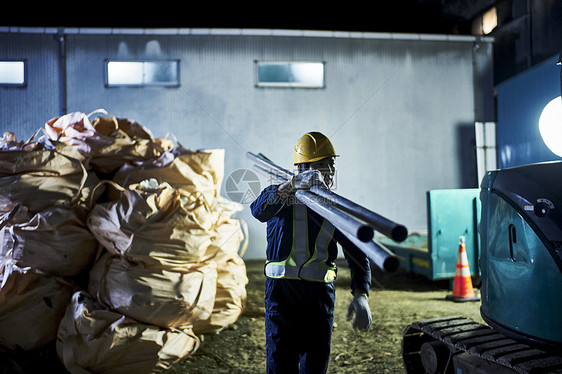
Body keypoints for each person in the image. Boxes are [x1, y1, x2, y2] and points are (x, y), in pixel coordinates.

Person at [250, 131, 372, 374]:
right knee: (281, 364)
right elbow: (258, 210)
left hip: (319, 299)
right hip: (282, 297)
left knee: (315, 366)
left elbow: (357, 254)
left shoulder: (336, 207)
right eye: (321, 165)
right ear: (302, 168)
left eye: (331, 165)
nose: (328, 172)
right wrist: (291, 186)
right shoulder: (280, 196)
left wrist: (361, 294)